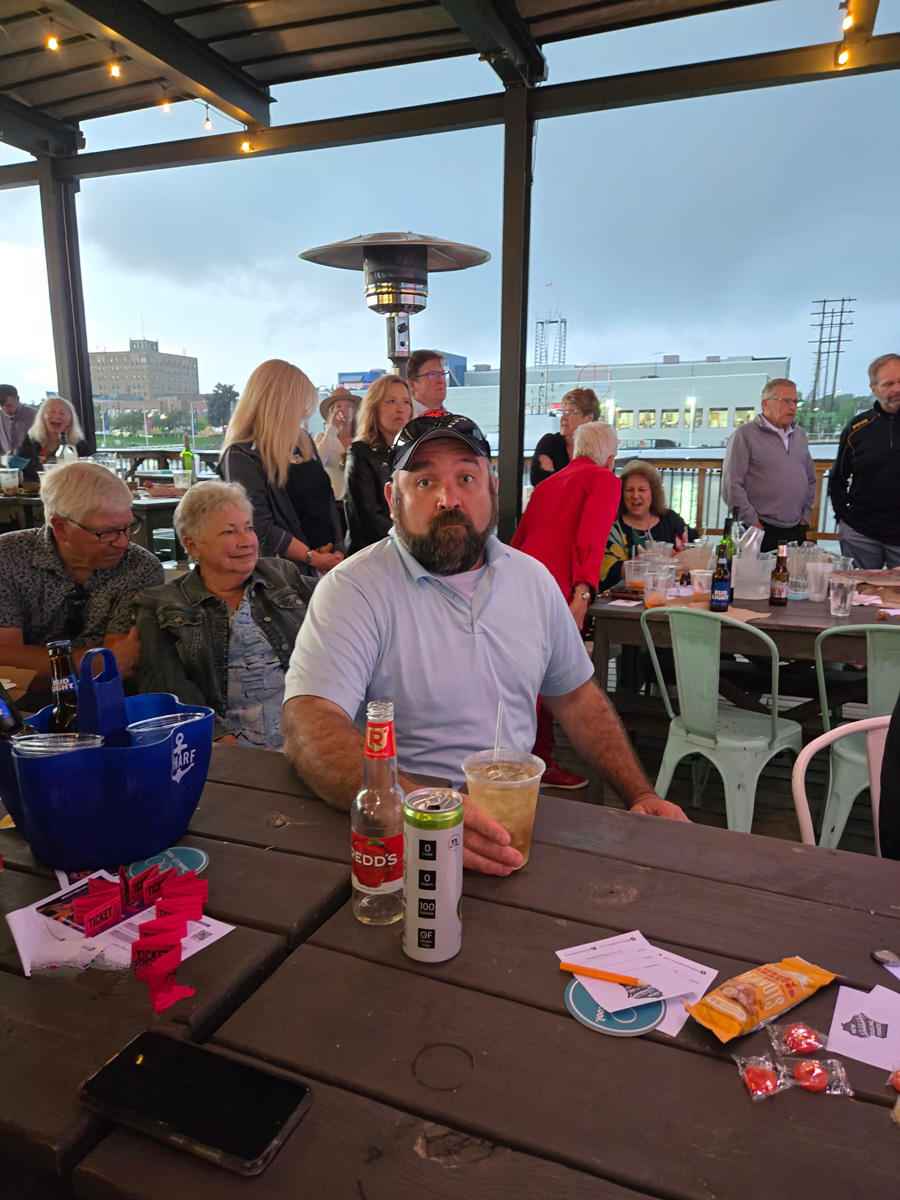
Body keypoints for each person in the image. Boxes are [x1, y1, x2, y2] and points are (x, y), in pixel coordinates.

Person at [282, 411, 688, 879]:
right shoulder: (355, 588)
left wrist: (641, 794)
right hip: (394, 842)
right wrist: (419, 809)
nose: (448, 499)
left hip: (515, 824)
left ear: (492, 488)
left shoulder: (532, 580)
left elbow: (576, 697)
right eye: (425, 482)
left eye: (466, 478)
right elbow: (309, 724)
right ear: (393, 499)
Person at [134, 480, 315, 748]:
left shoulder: (281, 574)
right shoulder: (159, 605)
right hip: (224, 752)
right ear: (193, 545)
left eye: (249, 528)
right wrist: (234, 759)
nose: (246, 541)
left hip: (308, 739)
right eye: (229, 532)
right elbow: (171, 692)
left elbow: (342, 601)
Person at [512, 421, 621, 790]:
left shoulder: (547, 483)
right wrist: (583, 593)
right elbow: (593, 537)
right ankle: (537, 764)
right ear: (610, 458)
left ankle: (529, 760)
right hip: (558, 588)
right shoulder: (604, 479)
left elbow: (518, 539)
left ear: (575, 450)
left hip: (521, 580)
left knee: (525, 676)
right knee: (546, 680)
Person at [0, 460, 161, 694]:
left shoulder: (140, 567)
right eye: (106, 533)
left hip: (107, 705)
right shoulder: (7, 557)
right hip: (18, 709)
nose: (123, 542)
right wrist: (85, 663)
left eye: (128, 527)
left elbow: (118, 668)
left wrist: (36, 665)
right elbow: (5, 662)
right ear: (60, 527)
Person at [218, 359, 343, 576]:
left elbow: (326, 498)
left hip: (328, 563)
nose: (304, 411)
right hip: (283, 574)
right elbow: (258, 524)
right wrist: (311, 557)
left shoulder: (303, 442)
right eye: (300, 403)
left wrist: (338, 549)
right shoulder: (242, 455)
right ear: (280, 403)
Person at [722, 378, 816, 554]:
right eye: (786, 401)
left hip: (796, 527)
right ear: (765, 403)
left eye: (795, 401)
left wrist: (806, 517)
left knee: (792, 572)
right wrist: (753, 523)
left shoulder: (800, 435)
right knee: (755, 572)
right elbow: (731, 484)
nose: (793, 407)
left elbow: (810, 479)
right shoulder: (745, 435)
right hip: (760, 527)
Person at [829, 353, 900, 568]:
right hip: (861, 533)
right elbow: (838, 477)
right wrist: (842, 517)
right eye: (888, 384)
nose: (897, 389)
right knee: (858, 590)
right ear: (873, 389)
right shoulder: (857, 427)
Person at [343, 373, 413, 555]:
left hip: (407, 549)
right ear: (374, 408)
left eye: (406, 402)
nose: (400, 409)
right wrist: (414, 541)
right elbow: (368, 517)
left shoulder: (413, 452)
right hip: (373, 554)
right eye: (391, 401)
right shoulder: (360, 452)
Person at [600, 460, 688, 588]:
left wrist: (680, 558)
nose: (635, 495)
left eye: (642, 489)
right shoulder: (614, 529)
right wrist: (648, 559)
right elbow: (608, 573)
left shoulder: (670, 519)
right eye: (629, 490)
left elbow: (692, 552)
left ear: (653, 493)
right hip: (626, 596)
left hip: (671, 594)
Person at [530, 388, 601, 487]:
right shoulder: (550, 443)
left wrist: (555, 477)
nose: (563, 418)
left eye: (571, 412)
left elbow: (601, 486)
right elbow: (538, 481)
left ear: (589, 418)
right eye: (563, 412)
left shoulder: (599, 448)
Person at [16, 396, 89, 482]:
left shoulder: (78, 445)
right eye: (52, 412)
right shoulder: (31, 441)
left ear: (70, 420)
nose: (57, 416)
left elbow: (88, 474)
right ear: (43, 417)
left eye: (62, 413)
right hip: (34, 489)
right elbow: (17, 467)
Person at [314, 387, 359, 521]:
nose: (343, 410)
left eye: (348, 406)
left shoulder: (361, 439)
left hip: (358, 505)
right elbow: (316, 464)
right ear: (331, 413)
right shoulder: (322, 438)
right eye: (338, 406)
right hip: (331, 507)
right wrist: (332, 429)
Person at [406, 350, 449, 416]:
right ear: (412, 384)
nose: (441, 380)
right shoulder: (403, 418)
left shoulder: (453, 420)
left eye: (442, 374)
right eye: (432, 374)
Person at [0, 385, 36, 457]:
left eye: (9, 405)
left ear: (17, 399)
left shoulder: (33, 415)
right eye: (1, 406)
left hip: (30, 459)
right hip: (6, 460)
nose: (5, 409)